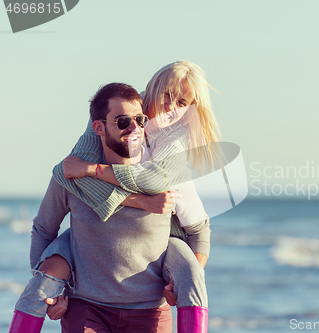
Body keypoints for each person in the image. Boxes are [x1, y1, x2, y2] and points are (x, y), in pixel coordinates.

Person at [10, 61, 219, 333]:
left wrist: (177, 286)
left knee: (182, 255)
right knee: (61, 249)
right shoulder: (75, 172)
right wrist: (52, 295)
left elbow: (198, 229)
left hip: (150, 310)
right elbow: (43, 229)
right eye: (123, 121)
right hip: (87, 307)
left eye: (181, 102)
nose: (170, 107)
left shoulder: (170, 168)